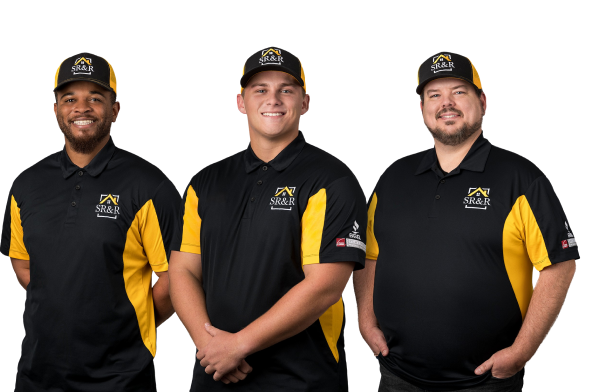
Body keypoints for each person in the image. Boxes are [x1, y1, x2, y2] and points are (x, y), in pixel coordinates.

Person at [352, 51, 579, 392]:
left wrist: (521, 352)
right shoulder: (393, 178)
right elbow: (368, 254)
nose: (447, 103)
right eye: (434, 95)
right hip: (397, 377)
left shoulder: (520, 179)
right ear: (423, 108)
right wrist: (365, 320)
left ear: (482, 102)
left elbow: (560, 265)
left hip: (486, 382)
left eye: (459, 91)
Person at [169, 47, 367, 391]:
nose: (273, 99)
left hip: (301, 377)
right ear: (240, 102)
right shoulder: (205, 181)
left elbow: (325, 286)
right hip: (214, 373)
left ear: (304, 103)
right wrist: (211, 348)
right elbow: (182, 270)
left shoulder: (332, 180)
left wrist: (238, 346)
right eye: (260, 89)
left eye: (286, 89)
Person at [0, 52, 179, 392]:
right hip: (38, 375)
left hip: (121, 379)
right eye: (70, 99)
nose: (81, 108)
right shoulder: (26, 184)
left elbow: (175, 277)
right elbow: (23, 263)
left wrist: (125, 322)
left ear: (114, 110)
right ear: (56, 110)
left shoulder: (149, 186)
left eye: (95, 98)